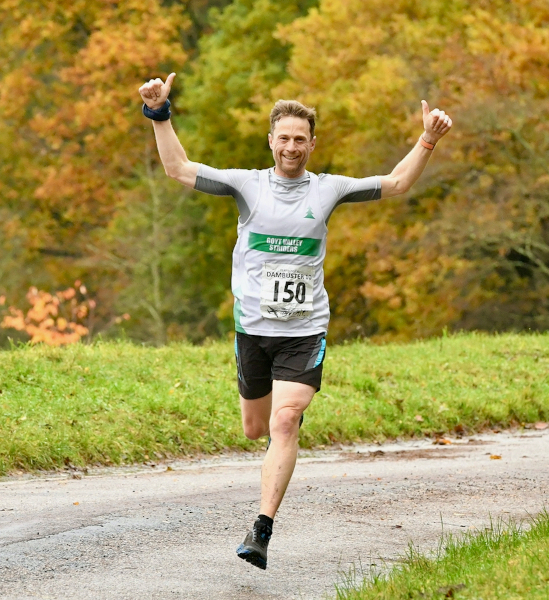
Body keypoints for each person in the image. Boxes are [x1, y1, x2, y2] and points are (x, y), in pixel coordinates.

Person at [138, 73, 452, 570]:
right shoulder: (247, 185)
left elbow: (396, 183)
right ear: (271, 141)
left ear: (312, 144)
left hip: (304, 331)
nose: (291, 147)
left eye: (300, 139)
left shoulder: (328, 190)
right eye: (283, 138)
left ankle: (261, 529)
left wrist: (428, 138)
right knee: (255, 428)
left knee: (285, 421)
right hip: (253, 330)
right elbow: (178, 168)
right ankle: (278, 437)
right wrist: (159, 113)